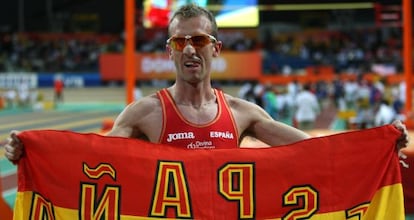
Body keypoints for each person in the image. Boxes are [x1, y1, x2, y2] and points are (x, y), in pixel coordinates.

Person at [3, 4, 409, 161]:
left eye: (198, 40)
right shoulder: (144, 112)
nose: (189, 50)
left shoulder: (242, 112)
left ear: (215, 48)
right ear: (170, 50)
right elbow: (90, 157)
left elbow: (315, 149)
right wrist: (34, 150)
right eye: (180, 41)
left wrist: (375, 147)